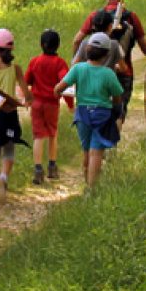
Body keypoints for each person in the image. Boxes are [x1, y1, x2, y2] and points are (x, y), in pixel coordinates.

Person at [72, 0, 146, 127]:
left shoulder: (95, 16)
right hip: (124, 72)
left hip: (96, 71)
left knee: (98, 107)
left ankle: (99, 143)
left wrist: (76, 63)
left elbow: (77, 40)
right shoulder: (131, 17)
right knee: (119, 111)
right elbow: (143, 43)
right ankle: (112, 143)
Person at [55, 33, 123, 187]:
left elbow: (58, 88)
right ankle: (92, 189)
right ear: (106, 55)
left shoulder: (78, 69)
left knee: (86, 151)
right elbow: (118, 97)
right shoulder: (109, 74)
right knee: (96, 152)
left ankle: (87, 182)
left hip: (82, 115)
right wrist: (115, 107)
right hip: (102, 115)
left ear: (87, 50)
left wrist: (57, 95)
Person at [0, 28, 33, 202]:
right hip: (10, 114)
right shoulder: (16, 69)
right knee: (9, 148)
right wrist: (26, 101)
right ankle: (3, 177)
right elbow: (27, 94)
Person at [24, 29, 70, 184]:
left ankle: (37, 169)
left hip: (36, 103)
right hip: (52, 104)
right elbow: (66, 84)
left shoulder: (34, 61)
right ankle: (52, 167)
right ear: (58, 45)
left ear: (41, 44)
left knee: (38, 136)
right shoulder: (60, 63)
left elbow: (27, 80)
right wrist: (70, 104)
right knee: (52, 134)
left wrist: (27, 98)